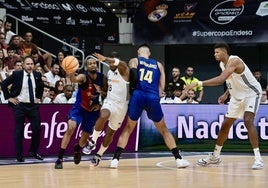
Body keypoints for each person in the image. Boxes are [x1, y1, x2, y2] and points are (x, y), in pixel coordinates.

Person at [184, 43, 263, 170]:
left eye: (217, 52)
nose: (215, 54)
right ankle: (215, 157)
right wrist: (226, 94)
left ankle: (258, 158)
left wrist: (198, 83)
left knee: (248, 120)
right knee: (225, 125)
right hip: (236, 96)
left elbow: (221, 79)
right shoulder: (222, 64)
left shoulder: (235, 61)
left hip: (251, 94)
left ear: (224, 52)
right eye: (214, 52)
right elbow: (230, 79)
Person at [109, 44, 190, 169]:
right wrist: (157, 94)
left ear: (138, 52)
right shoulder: (158, 65)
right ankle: (178, 159)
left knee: (128, 128)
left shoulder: (134, 60)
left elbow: (134, 76)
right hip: (152, 97)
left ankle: (115, 160)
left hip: (138, 95)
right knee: (163, 129)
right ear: (149, 53)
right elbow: (162, 86)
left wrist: (134, 90)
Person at [54, 57, 108, 169]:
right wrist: (71, 71)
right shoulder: (83, 77)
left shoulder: (102, 78)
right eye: (90, 63)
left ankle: (77, 148)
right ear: (86, 67)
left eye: (94, 63)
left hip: (93, 111)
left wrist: (100, 100)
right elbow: (74, 79)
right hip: (80, 107)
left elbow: (106, 94)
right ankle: (59, 159)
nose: (93, 65)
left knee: (84, 138)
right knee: (70, 127)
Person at [81, 52, 130, 167]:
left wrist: (106, 58)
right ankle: (92, 141)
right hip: (110, 102)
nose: (111, 63)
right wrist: (101, 92)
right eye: (110, 61)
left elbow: (119, 63)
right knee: (103, 115)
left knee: (110, 133)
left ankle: (98, 155)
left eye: (114, 60)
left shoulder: (123, 69)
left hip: (121, 106)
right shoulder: (108, 73)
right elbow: (108, 91)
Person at [1, 56, 44, 162]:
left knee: (37, 128)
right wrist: (9, 98)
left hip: (32, 106)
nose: (30, 66)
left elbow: (41, 87)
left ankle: (33, 151)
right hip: (20, 105)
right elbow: (4, 84)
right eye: (28, 64)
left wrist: (38, 97)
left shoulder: (37, 75)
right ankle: (19, 155)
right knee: (19, 131)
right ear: (23, 65)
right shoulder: (17, 74)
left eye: (32, 64)